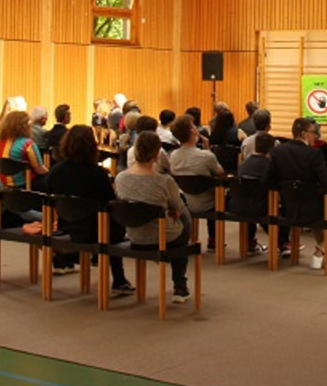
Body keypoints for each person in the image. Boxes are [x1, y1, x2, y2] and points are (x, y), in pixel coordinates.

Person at [44, 125, 135, 294]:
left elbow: (49, 196)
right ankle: (119, 279)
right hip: (96, 229)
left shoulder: (55, 171)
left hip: (67, 225)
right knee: (113, 225)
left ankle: (69, 256)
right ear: (91, 146)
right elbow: (109, 202)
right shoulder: (98, 173)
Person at [116, 132, 192, 303]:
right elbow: (178, 207)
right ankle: (180, 286)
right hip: (163, 237)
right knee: (185, 216)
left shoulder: (120, 178)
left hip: (135, 235)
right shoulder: (164, 181)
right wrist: (175, 211)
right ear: (157, 154)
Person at [266, 117, 327, 267]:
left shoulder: (278, 152)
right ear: (303, 133)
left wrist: (285, 187)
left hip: (288, 209)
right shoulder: (314, 154)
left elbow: (266, 180)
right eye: (313, 132)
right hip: (313, 209)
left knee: (323, 215)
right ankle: (320, 252)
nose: (316, 136)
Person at [168, 115, 226, 251]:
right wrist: (207, 149)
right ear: (193, 131)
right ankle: (213, 238)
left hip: (186, 200)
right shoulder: (206, 155)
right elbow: (221, 173)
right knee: (217, 192)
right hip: (210, 202)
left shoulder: (173, 156)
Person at [233, 131, 276, 254]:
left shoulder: (243, 164)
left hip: (239, 206)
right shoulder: (269, 165)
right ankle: (283, 243)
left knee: (251, 198)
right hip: (260, 208)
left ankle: (251, 242)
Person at [0, 110, 48, 189]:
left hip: (4, 185)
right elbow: (39, 169)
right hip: (26, 184)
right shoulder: (28, 144)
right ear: (24, 126)